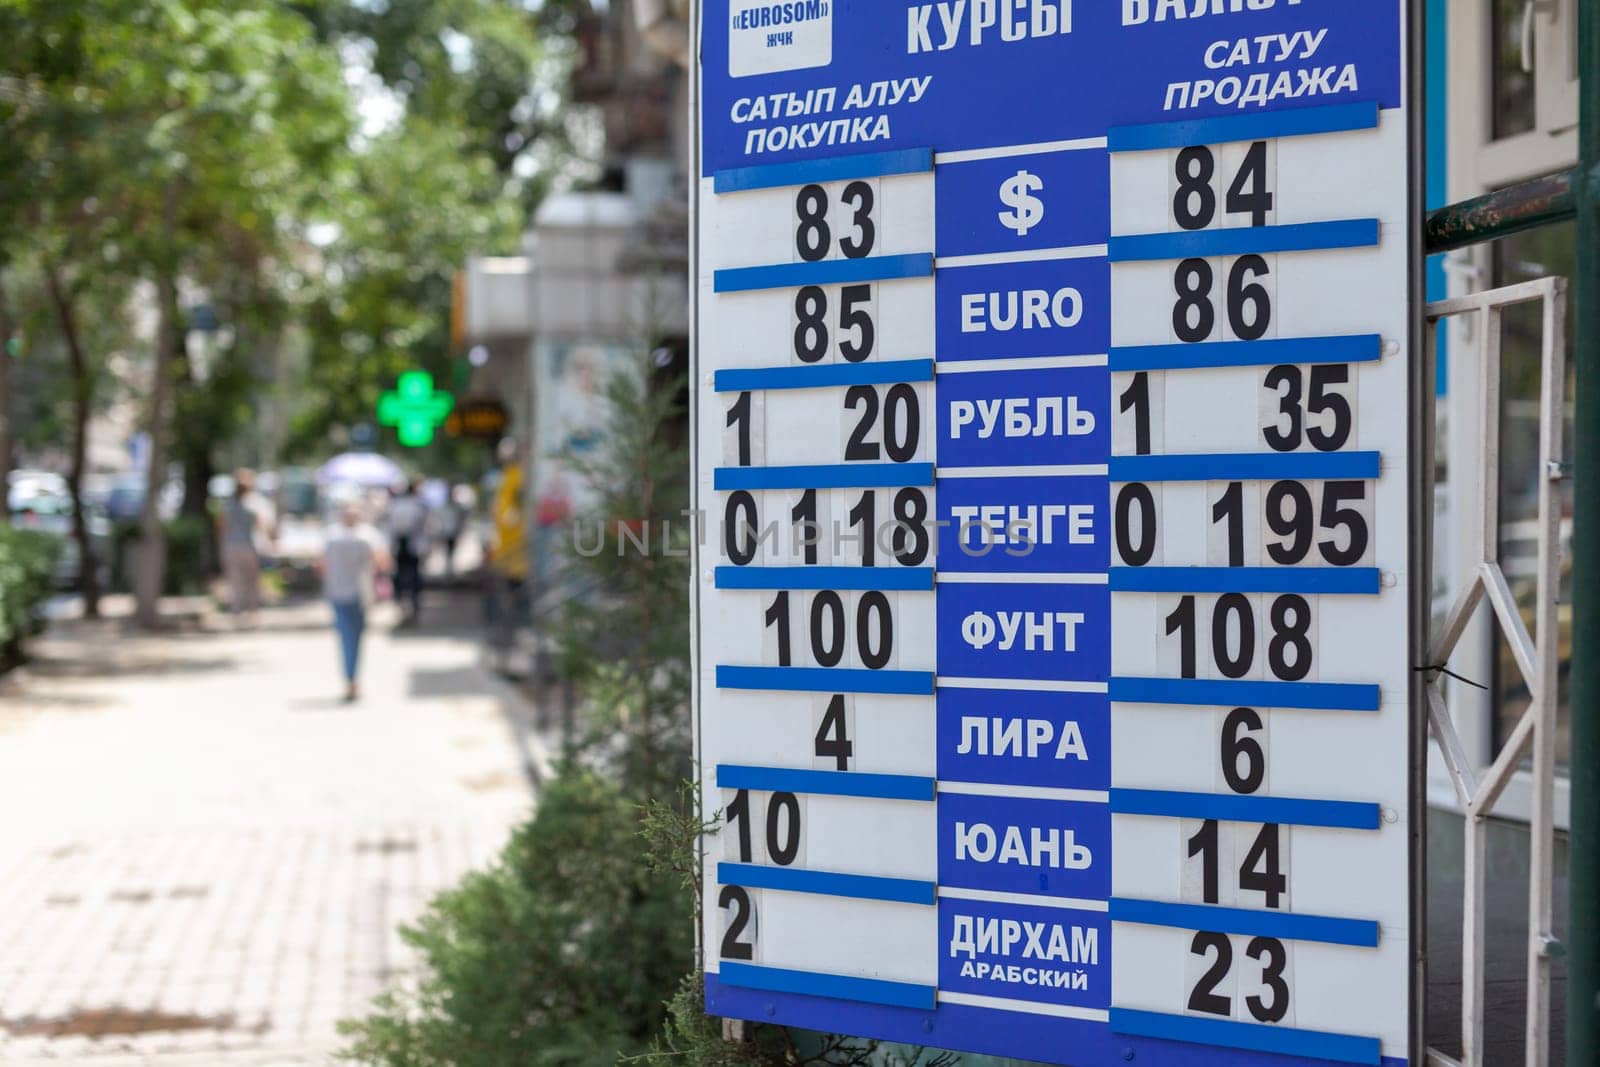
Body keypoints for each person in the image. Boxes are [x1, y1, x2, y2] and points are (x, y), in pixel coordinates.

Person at [319, 503, 388, 702]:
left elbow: (321, 565)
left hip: (337, 592)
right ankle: (352, 679)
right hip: (360, 593)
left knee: (345, 637)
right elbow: (383, 562)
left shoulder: (331, 536)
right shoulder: (368, 536)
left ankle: (350, 679)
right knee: (355, 639)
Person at [218, 469, 273, 620]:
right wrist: (268, 542)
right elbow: (262, 525)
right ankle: (252, 610)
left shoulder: (228, 504)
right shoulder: (254, 503)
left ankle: (237, 610)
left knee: (235, 580)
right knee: (251, 580)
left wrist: (222, 544)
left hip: (231, 546)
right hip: (249, 546)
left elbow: (222, 526)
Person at [386, 478, 430, 624]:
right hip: (411, 547)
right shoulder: (417, 506)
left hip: (402, 547)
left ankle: (403, 605)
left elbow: (392, 527)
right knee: (414, 578)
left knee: (402, 577)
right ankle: (411, 605)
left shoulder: (396, 506)